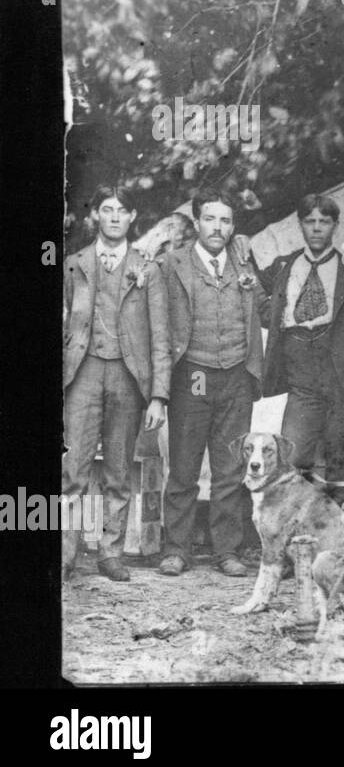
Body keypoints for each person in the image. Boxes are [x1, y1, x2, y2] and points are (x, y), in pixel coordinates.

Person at [157, 188, 268, 578]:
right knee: (185, 465)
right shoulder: (173, 264)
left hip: (237, 375)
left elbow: (266, 309)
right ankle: (176, 549)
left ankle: (227, 551)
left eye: (225, 220)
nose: (217, 227)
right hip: (196, 374)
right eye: (210, 218)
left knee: (229, 469)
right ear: (197, 222)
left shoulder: (245, 265)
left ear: (233, 225)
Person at [62, 186, 170, 582]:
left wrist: (158, 396)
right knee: (74, 470)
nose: (113, 217)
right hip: (83, 375)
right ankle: (65, 554)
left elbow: (161, 335)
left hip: (127, 378)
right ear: (96, 217)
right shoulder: (74, 264)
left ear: (131, 217)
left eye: (121, 211)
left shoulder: (149, 268)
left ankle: (110, 553)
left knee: (119, 472)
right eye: (106, 209)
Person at [258, 194, 344, 498]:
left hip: (339, 377)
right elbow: (253, 293)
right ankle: (294, 533)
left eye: (324, 222)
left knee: (341, 463)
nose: (316, 228)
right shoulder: (283, 266)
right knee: (292, 457)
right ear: (300, 224)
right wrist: (272, 313)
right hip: (300, 374)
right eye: (310, 221)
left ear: (335, 225)